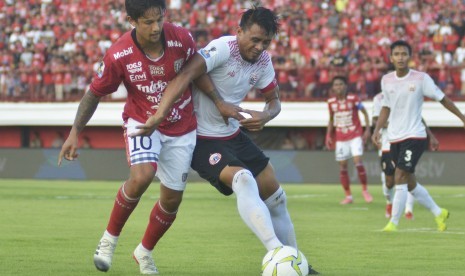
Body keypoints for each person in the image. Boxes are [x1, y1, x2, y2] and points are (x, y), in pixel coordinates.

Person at [132, 5, 319, 275]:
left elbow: (274, 101)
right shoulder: (222, 48)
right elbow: (188, 73)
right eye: (254, 39)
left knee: (276, 197)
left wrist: (265, 116)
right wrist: (164, 113)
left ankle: (299, 264)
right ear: (239, 31)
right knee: (243, 179)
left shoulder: (264, 62)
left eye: (265, 42)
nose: (259, 47)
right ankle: (278, 254)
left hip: (233, 133)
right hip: (200, 138)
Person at [57, 1, 231, 274]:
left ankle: (144, 252)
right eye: (148, 22)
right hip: (141, 121)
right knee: (141, 177)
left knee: (172, 201)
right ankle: (108, 240)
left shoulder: (182, 38)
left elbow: (195, 74)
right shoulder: (119, 54)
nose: (155, 27)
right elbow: (94, 93)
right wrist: (74, 132)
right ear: (131, 20)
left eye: (159, 19)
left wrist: (219, 103)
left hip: (181, 125)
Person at [372, 40, 465, 232]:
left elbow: (443, 99)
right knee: (410, 183)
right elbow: (386, 108)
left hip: (414, 136)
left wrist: (462, 117)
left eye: (404, 54)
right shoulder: (386, 80)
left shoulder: (421, 78)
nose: (400, 57)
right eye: (396, 54)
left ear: (410, 57)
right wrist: (376, 130)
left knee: (399, 176)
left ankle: (393, 224)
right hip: (395, 138)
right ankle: (439, 212)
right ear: (391, 58)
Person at [372, 92, 440, 219]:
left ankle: (408, 210)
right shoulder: (379, 98)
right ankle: (389, 202)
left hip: (408, 141)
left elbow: (418, 118)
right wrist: (389, 125)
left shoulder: (408, 95)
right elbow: (376, 119)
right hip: (388, 144)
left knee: (406, 176)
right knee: (389, 182)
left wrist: (431, 135)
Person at [325, 76, 373, 204]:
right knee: (343, 166)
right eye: (336, 85)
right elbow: (331, 119)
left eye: (341, 84)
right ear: (333, 88)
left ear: (345, 86)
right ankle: (348, 196)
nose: (338, 87)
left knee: (358, 161)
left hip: (355, 135)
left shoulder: (354, 99)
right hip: (340, 138)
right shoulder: (331, 102)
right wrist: (328, 135)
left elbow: (365, 113)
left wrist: (367, 129)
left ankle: (365, 190)